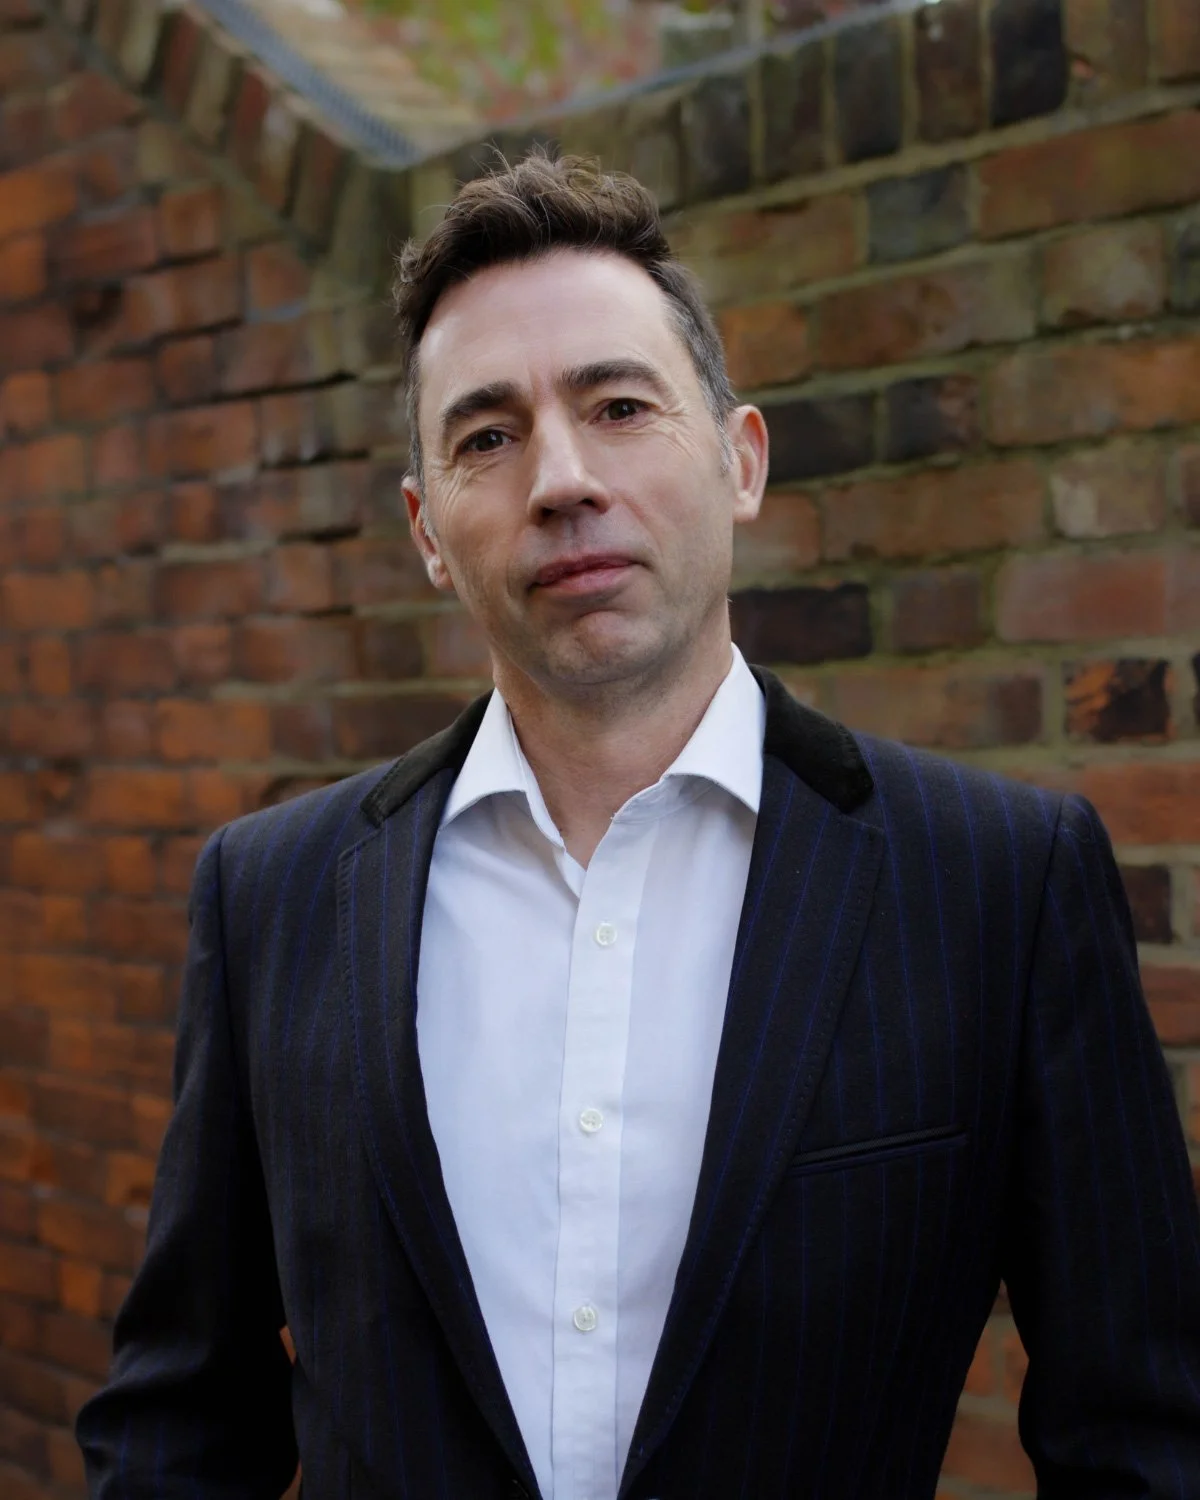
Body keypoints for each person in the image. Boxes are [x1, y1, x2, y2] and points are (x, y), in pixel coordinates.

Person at [77, 151, 1200, 1500]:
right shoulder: (273, 896)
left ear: (741, 461)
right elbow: (183, 1420)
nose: (561, 479)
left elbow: (1143, 1439)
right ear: (428, 530)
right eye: (487, 437)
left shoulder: (998, 885)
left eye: (618, 407)